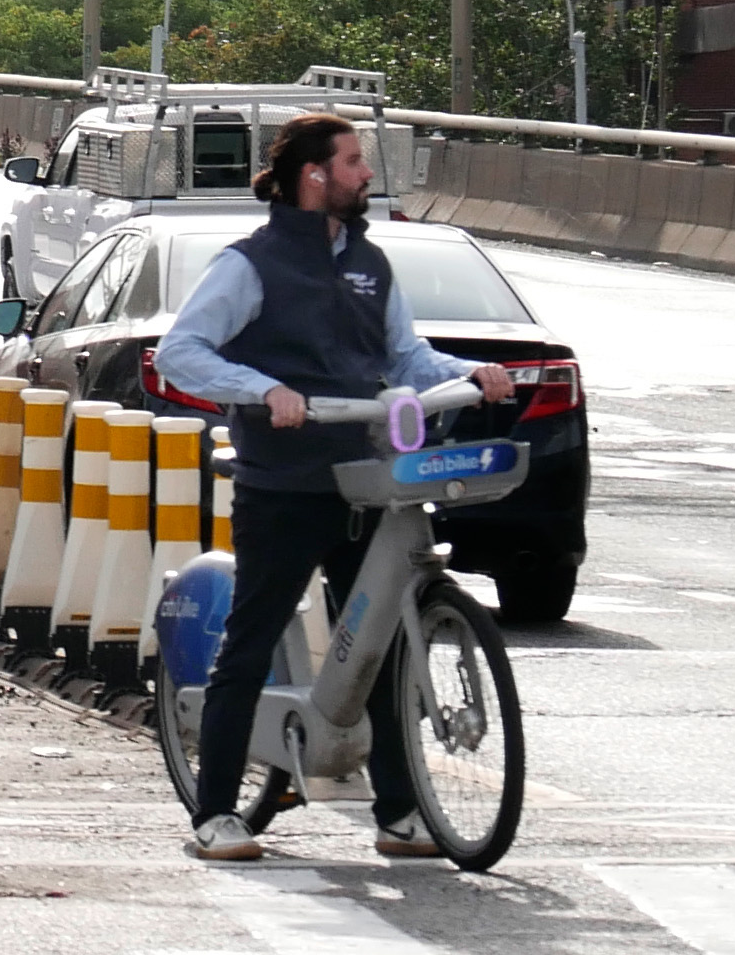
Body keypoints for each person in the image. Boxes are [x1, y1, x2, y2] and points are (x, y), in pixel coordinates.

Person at [153, 112, 515, 865]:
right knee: (250, 643)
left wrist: (468, 375)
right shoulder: (249, 265)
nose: (365, 173)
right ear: (313, 175)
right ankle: (216, 813)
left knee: (375, 644)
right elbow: (182, 353)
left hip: (364, 480)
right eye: (353, 161)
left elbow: (406, 356)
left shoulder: (371, 264)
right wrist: (262, 389)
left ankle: (399, 813)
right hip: (283, 482)